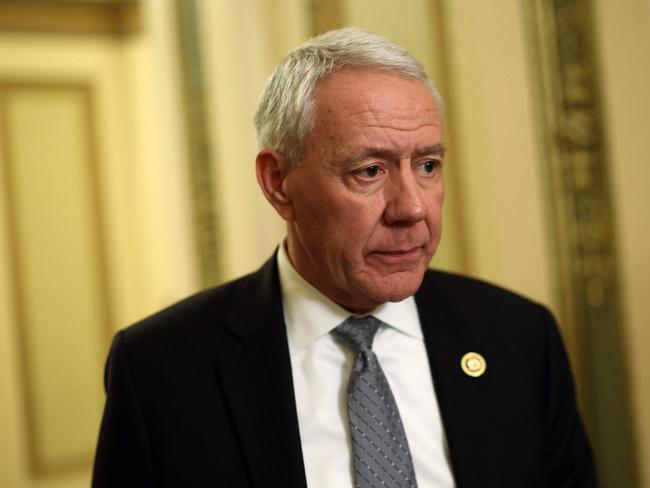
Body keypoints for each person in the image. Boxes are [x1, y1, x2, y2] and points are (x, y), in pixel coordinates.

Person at [92, 28, 596, 487]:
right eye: (370, 170)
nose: (412, 207)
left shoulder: (520, 337)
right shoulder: (160, 369)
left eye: (427, 165)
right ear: (277, 183)